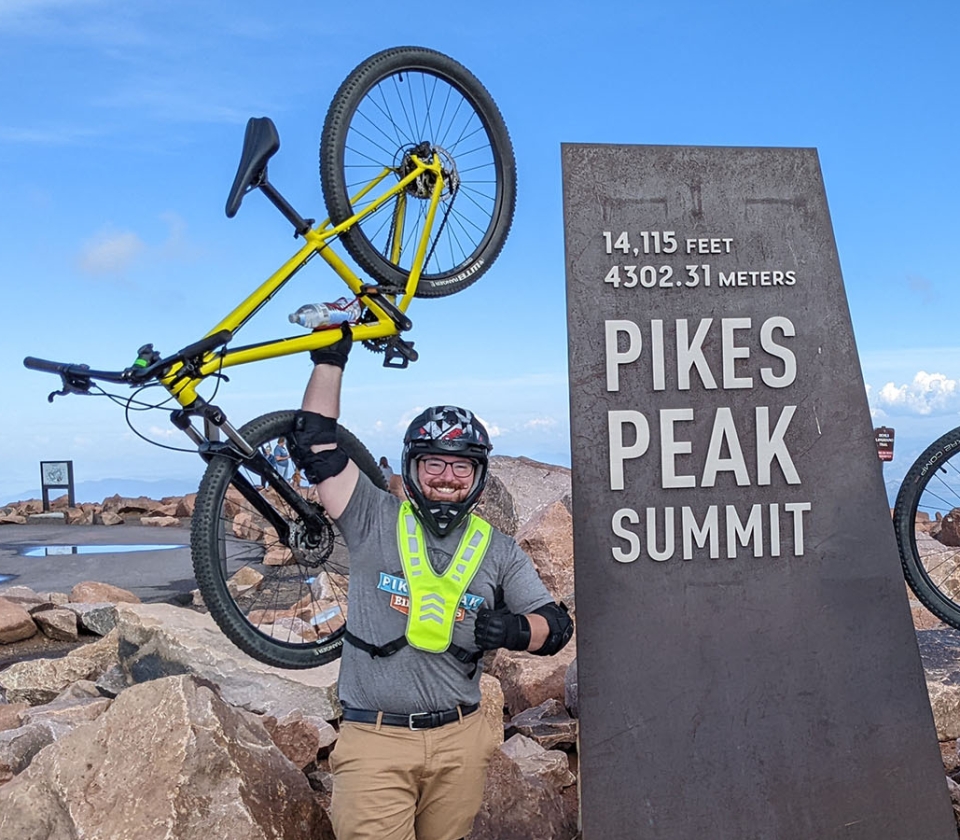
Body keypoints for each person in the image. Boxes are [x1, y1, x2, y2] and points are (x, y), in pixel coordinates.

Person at [287, 327, 573, 840]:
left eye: (461, 466)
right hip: (376, 741)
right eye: (434, 463)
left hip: (460, 742)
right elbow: (315, 442)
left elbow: (554, 628)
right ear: (411, 468)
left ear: (479, 475)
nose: (447, 477)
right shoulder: (373, 516)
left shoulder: (499, 549)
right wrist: (330, 357)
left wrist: (512, 630)